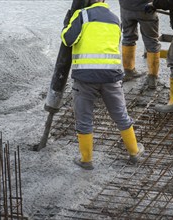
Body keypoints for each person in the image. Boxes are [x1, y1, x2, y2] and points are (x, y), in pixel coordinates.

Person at [61, 0, 145, 170]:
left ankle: (87, 160)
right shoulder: (115, 19)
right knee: (120, 115)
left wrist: (67, 24)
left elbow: (67, 40)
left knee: (84, 119)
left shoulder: (82, 15)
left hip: (85, 78)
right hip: (111, 77)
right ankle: (134, 152)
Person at [119, 0, 162, 89]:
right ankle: (152, 78)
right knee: (152, 41)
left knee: (128, 37)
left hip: (126, 7)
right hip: (146, 8)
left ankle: (129, 71)